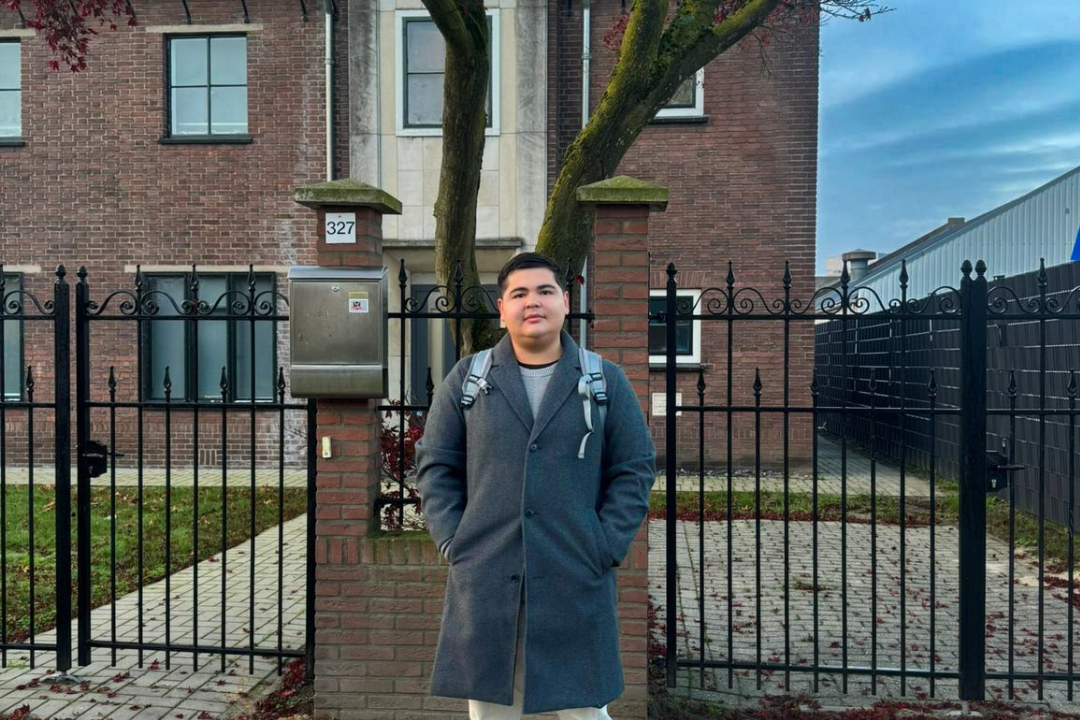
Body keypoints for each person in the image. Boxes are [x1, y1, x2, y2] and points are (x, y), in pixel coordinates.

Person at [416, 252, 656, 719]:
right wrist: (452, 539)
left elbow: (635, 467)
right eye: (519, 293)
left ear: (565, 302)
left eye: (545, 291)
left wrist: (604, 544)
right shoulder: (469, 378)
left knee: (584, 711)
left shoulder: (604, 379)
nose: (533, 302)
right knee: (492, 712)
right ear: (502, 309)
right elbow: (435, 463)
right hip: (486, 575)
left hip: (574, 572)